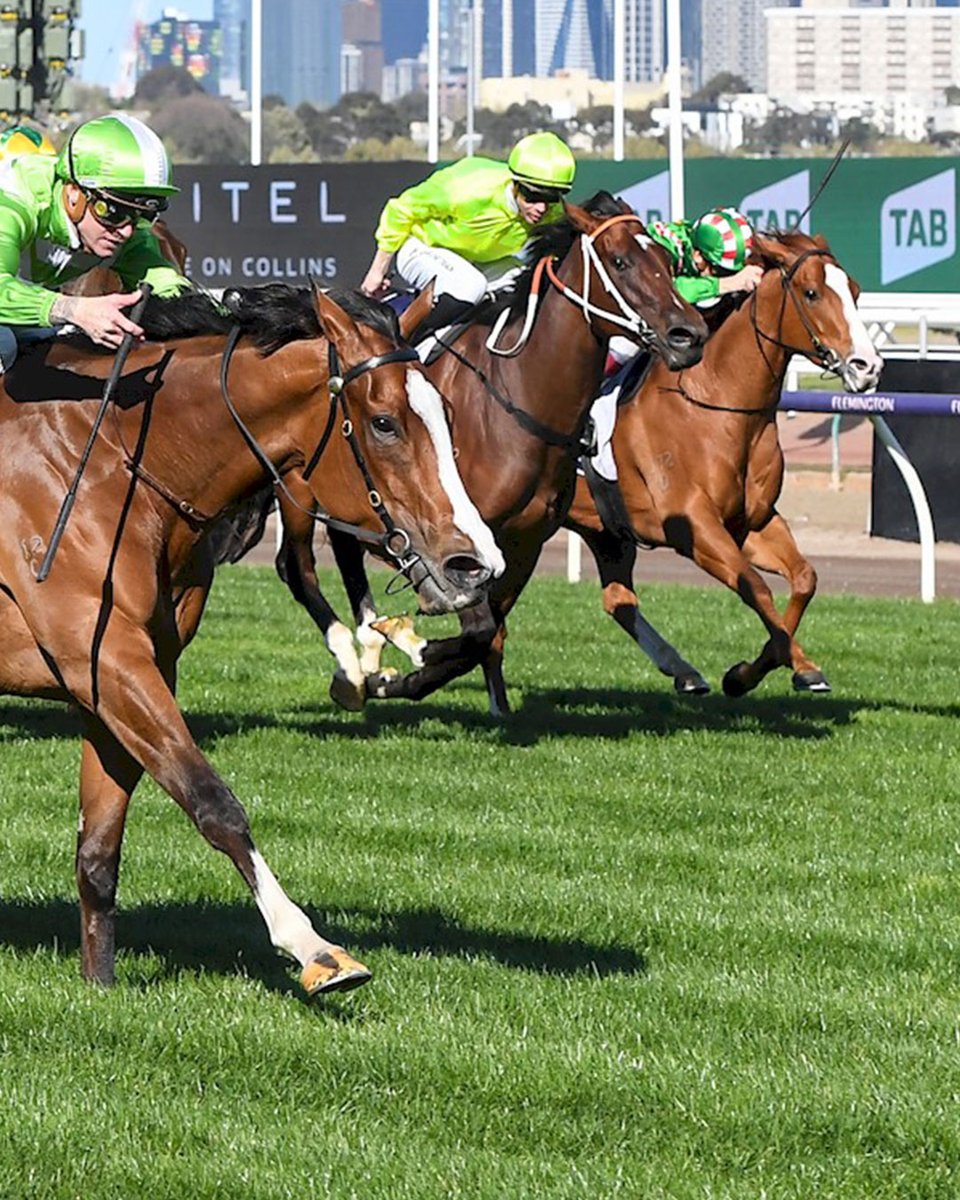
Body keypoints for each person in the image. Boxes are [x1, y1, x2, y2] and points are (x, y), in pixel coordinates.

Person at [0, 112, 191, 373]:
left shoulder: (128, 231)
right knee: (5, 344)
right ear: (74, 192)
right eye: (113, 211)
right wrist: (72, 308)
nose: (126, 231)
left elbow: (170, 288)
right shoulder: (13, 200)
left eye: (143, 215)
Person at [359, 130, 576, 336]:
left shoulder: (553, 212)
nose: (542, 208)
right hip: (422, 247)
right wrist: (378, 270)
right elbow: (401, 209)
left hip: (476, 262)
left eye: (551, 198)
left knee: (527, 286)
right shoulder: (469, 189)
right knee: (469, 286)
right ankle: (405, 340)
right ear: (516, 184)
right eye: (532, 195)